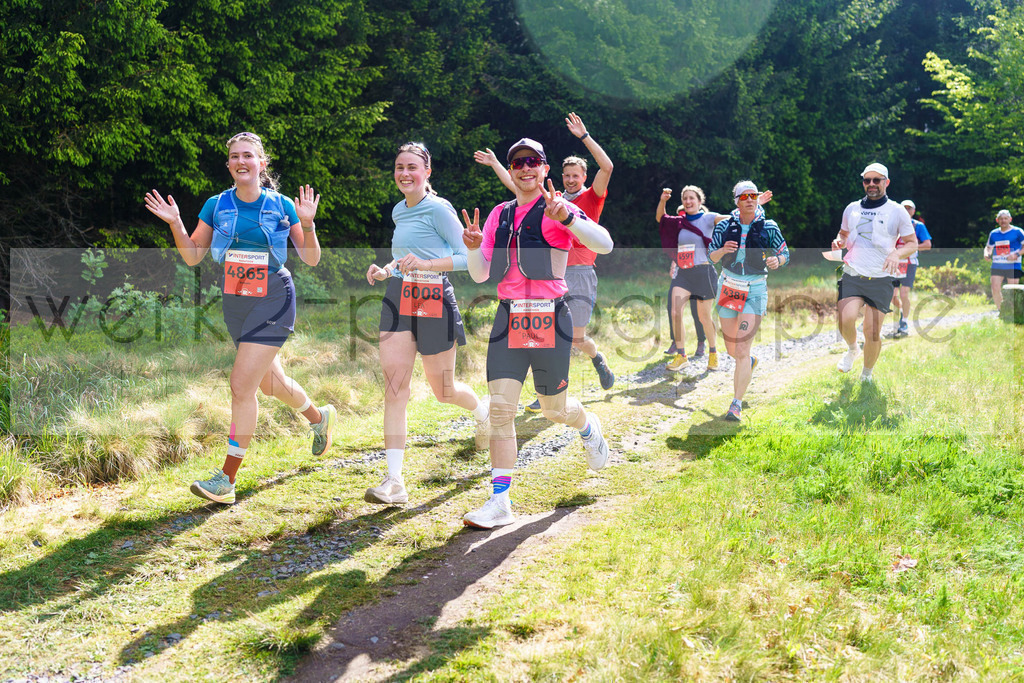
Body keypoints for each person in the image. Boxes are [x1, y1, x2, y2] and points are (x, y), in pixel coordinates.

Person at [144, 132, 336, 504]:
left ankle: (227, 480)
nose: (241, 161)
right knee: (269, 384)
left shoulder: (281, 205)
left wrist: (309, 223)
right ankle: (318, 418)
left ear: (262, 163)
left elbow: (311, 258)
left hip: (275, 298)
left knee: (240, 386)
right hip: (235, 301)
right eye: (234, 156)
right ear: (229, 164)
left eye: (248, 155)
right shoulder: (216, 205)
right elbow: (193, 256)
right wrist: (176, 224)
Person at [460, 137, 614, 529]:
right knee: (500, 409)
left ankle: (587, 426)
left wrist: (568, 218)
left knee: (553, 410)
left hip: (550, 316)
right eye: (517, 163)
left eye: (533, 162)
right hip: (509, 315)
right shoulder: (499, 214)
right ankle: (500, 501)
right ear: (510, 171)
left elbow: (605, 244)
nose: (525, 168)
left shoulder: (559, 208)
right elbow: (479, 273)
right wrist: (475, 247)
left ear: (545, 169)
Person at [362, 143, 491, 505]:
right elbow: (405, 256)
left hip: (434, 299)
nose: (404, 173)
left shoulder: (439, 209)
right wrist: (386, 268)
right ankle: (394, 481)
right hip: (398, 297)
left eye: (412, 167)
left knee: (443, 390)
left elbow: (469, 258)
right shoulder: (399, 210)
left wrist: (427, 266)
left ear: (427, 172)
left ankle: (483, 414)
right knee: (395, 388)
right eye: (399, 166)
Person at [474, 112, 615, 415]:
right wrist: (499, 164)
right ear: (559, 176)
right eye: (568, 175)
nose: (571, 179)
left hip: (577, 276)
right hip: (523, 301)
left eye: (576, 175)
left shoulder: (585, 200)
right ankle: (546, 391)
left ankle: (584, 370)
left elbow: (607, 169)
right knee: (509, 403)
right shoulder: (542, 201)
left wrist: (584, 136)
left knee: (577, 337)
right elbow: (519, 187)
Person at [709, 181, 789, 421]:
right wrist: (723, 250)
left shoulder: (769, 226)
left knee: (742, 348)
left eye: (753, 195)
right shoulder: (724, 226)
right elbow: (711, 255)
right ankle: (750, 362)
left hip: (754, 290)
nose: (749, 199)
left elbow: (785, 252)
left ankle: (736, 404)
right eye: (744, 196)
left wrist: (779, 261)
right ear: (736, 201)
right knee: (732, 348)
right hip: (730, 287)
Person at [832, 163, 917, 382]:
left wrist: (896, 254)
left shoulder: (897, 210)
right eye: (867, 180)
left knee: (872, 331)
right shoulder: (851, 208)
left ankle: (866, 375)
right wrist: (838, 241)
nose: (871, 184)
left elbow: (912, 243)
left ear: (886, 182)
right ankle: (852, 349)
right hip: (853, 272)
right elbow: (843, 233)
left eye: (876, 180)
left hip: (881, 277)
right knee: (845, 318)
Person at [655, 186, 721, 374]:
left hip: (704, 272)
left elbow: (729, 219)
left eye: (692, 198)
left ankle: (713, 351)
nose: (688, 201)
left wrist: (749, 207)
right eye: (685, 198)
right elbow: (661, 219)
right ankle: (682, 355)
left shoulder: (708, 218)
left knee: (704, 317)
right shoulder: (679, 222)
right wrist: (663, 201)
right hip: (684, 273)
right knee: (675, 311)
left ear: (700, 202)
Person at [887, 199, 932, 337]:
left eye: (909, 208)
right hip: (895, 263)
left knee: (904, 293)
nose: (906, 211)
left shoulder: (918, 226)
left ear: (913, 211)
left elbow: (928, 245)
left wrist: (910, 247)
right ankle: (902, 312)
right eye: (904, 208)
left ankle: (905, 322)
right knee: (892, 296)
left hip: (910, 263)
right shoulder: (893, 225)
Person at [983, 209, 1024, 309]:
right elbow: (988, 247)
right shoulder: (994, 233)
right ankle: (1001, 311)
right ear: (997, 220)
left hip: (1013, 264)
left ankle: (1013, 312)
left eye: (1005, 218)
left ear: (1010, 219)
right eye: (1001, 219)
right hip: (997, 265)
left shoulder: (1018, 232)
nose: (1003, 221)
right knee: (995, 288)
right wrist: (987, 253)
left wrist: (1017, 255)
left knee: (1012, 290)